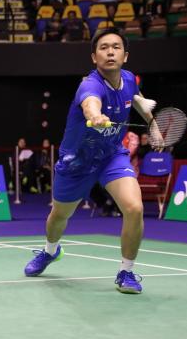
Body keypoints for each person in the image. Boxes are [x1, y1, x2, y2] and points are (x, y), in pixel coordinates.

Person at [23, 28, 160, 294]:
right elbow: (90, 102)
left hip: (111, 156)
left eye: (116, 47)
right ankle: (51, 251)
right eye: (104, 47)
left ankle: (126, 272)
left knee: (134, 208)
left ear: (125, 55)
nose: (110, 51)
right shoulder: (90, 84)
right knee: (59, 216)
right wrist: (94, 114)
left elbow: (138, 101)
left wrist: (153, 125)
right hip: (76, 162)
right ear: (94, 57)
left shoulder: (129, 79)